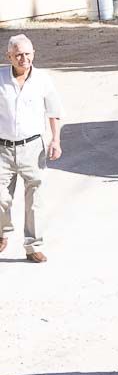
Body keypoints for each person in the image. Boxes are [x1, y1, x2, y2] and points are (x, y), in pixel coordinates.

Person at [0, 35, 62, 263]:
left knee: (34, 199)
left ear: (33, 54)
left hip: (32, 147)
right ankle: (2, 232)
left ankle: (32, 246)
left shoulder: (43, 80)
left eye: (27, 54)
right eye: (18, 54)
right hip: (2, 149)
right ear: (9, 56)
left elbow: (53, 111)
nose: (23, 58)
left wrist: (55, 140)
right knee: (0, 198)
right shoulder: (0, 79)